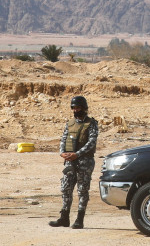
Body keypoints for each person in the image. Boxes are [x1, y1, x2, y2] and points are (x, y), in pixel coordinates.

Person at [48, 96, 99, 229]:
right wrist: (62, 153)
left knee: (82, 190)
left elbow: (92, 142)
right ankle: (64, 218)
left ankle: (79, 220)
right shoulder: (70, 124)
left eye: (78, 108)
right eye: (74, 108)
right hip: (70, 161)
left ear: (84, 108)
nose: (76, 110)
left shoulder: (91, 123)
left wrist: (77, 154)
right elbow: (63, 139)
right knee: (66, 188)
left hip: (85, 161)